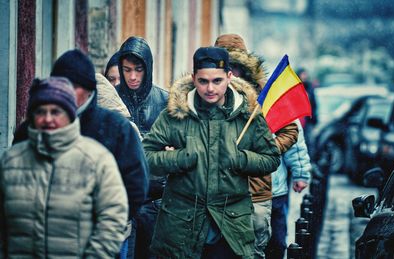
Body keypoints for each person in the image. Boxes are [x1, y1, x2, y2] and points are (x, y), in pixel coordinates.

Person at [142, 46, 281, 258]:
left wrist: (240, 158)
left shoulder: (247, 115)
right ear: (193, 78)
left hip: (230, 226)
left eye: (217, 81)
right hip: (181, 226)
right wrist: (180, 158)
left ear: (229, 77)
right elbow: (146, 156)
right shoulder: (175, 114)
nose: (210, 88)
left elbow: (271, 158)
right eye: (203, 81)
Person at [12, 49, 149, 259]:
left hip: (104, 240)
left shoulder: (116, 128)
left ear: (89, 91)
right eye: (61, 84)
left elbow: (136, 185)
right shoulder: (30, 129)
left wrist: (106, 227)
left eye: (73, 87)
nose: (65, 92)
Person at [0, 77, 128, 258]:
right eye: (40, 112)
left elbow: (112, 220)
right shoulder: (11, 161)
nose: (47, 119)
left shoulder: (97, 160)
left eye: (55, 112)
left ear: (69, 115)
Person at [215, 33, 299, 259]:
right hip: (216, 191)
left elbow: (290, 129)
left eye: (235, 66)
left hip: (256, 189)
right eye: (224, 66)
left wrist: (266, 148)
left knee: (256, 247)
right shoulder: (207, 92)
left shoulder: (264, 95)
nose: (231, 73)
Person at [116, 36, 169, 258]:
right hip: (122, 198)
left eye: (138, 69)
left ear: (148, 68)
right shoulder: (113, 98)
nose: (133, 76)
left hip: (155, 199)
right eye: (127, 70)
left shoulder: (164, 100)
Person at [265, 119, 312, 259]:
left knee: (276, 242)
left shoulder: (274, 101)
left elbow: (294, 138)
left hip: (274, 188)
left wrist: (301, 173)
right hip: (238, 190)